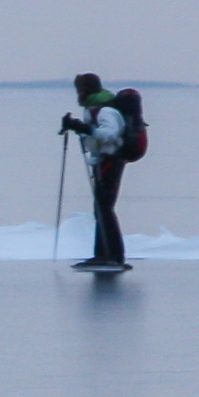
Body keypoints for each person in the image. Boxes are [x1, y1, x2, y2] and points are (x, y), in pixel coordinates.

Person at [60, 72, 135, 270]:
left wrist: (87, 129)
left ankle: (111, 256)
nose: (78, 94)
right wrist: (79, 128)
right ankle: (105, 254)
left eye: (79, 90)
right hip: (103, 161)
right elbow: (95, 136)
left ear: (85, 90)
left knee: (104, 208)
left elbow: (109, 134)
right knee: (101, 208)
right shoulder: (94, 109)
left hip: (111, 161)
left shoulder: (105, 111)